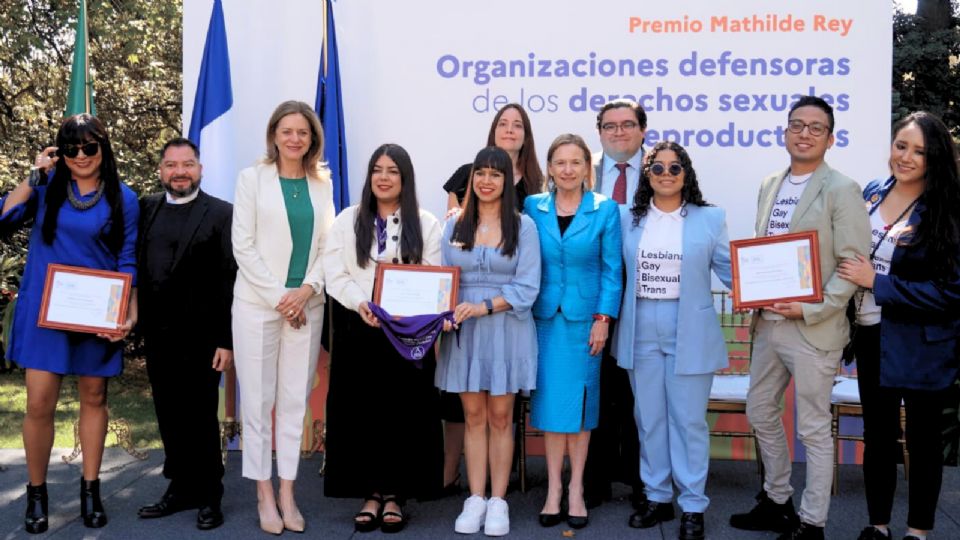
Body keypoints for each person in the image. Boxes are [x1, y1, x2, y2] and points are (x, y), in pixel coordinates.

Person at [729, 96, 871, 540]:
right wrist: (750, 291)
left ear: (830, 138)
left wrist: (810, 307)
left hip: (814, 328)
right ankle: (777, 500)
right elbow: (765, 251)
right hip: (769, 323)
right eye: (797, 124)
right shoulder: (771, 182)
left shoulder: (842, 188)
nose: (804, 133)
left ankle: (813, 522)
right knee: (759, 410)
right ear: (784, 131)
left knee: (812, 426)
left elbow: (852, 264)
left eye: (815, 127)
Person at [0, 114, 139, 533]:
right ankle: (36, 493)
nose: (81, 156)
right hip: (45, 315)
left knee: (94, 397)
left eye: (90, 147)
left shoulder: (124, 198)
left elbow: (127, 259)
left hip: (97, 315)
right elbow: (3, 219)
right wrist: (34, 173)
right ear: (61, 152)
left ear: (103, 150)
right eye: (72, 148)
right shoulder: (44, 190)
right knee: (39, 403)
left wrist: (126, 315)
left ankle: (91, 490)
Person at [837, 112, 960, 540]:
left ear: (936, 158)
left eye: (920, 151)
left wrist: (879, 283)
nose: (906, 157)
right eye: (901, 145)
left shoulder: (948, 208)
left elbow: (950, 294)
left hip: (924, 344)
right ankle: (878, 526)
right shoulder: (872, 192)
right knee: (879, 436)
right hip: (872, 335)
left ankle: (918, 531)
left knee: (923, 441)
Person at [612, 141, 732, 540]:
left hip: (690, 328)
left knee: (688, 422)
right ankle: (658, 496)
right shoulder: (627, 218)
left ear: (687, 173)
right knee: (649, 419)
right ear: (646, 174)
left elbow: (733, 272)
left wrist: (776, 292)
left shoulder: (710, 218)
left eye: (674, 168)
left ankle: (693, 505)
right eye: (657, 168)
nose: (665, 174)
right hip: (641, 324)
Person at [322, 143, 444, 534]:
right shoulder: (347, 220)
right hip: (359, 329)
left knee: (403, 412)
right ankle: (370, 493)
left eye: (393, 170)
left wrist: (407, 286)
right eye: (377, 169)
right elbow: (334, 273)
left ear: (404, 179)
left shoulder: (425, 223)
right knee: (361, 412)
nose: (384, 177)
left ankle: (395, 495)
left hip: (408, 335)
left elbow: (434, 271)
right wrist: (362, 303)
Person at [231, 100, 334, 535]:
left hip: (307, 306)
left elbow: (331, 247)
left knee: (294, 403)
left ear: (312, 139)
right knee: (258, 404)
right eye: (287, 131)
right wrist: (280, 298)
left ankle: (288, 490)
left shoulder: (322, 184)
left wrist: (307, 290)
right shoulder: (251, 179)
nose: (295, 138)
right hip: (258, 305)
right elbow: (243, 245)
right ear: (274, 135)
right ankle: (263, 494)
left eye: (303, 132)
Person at [437, 146, 541, 536]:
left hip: (506, 330)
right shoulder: (452, 226)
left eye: (495, 174)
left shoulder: (523, 226)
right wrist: (441, 312)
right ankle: (475, 498)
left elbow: (528, 287)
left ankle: (499, 501)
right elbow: (440, 281)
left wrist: (482, 306)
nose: (486, 180)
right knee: (473, 418)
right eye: (480, 173)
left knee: (500, 417)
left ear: (507, 181)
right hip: (463, 335)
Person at [135, 137, 235, 530]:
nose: (180, 172)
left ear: (200, 169)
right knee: (169, 414)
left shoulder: (221, 213)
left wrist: (227, 340)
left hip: (205, 338)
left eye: (188, 164)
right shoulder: (145, 210)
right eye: (172, 165)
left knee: (200, 416)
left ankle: (210, 494)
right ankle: (180, 488)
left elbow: (230, 279)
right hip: (158, 335)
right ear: (161, 170)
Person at [524, 133, 623, 530]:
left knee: (581, 410)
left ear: (588, 168)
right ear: (549, 167)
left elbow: (612, 271)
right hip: (543, 320)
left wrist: (604, 319)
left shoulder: (605, 210)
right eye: (560, 162)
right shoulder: (533, 206)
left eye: (575, 163)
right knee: (550, 409)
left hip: (586, 324)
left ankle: (577, 489)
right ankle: (553, 490)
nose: (567, 170)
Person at [585, 98, 647, 510]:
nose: (619, 132)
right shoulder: (581, 168)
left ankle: (645, 482)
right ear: (600, 131)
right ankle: (595, 479)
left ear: (643, 130)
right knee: (597, 384)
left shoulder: (664, 166)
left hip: (648, 293)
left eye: (627, 125)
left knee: (641, 392)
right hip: (593, 294)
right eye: (610, 126)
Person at [443, 103, 544, 210]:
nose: (509, 130)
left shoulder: (538, 183)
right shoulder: (465, 175)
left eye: (517, 125)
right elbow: (454, 224)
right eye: (503, 124)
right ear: (493, 132)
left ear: (526, 137)